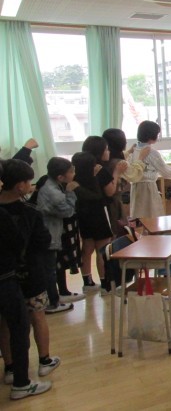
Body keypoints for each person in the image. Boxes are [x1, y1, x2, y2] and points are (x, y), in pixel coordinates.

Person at [0, 160, 58, 398]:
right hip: (29, 272)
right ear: (20, 186)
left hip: (6, 275)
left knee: (5, 323)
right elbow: (43, 241)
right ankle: (44, 360)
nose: (30, 185)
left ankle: (10, 368)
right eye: (27, 182)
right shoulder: (29, 212)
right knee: (36, 316)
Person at [36, 157, 83, 313]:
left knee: (51, 269)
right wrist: (70, 192)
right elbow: (67, 211)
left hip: (50, 233)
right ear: (61, 177)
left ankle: (55, 298)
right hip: (48, 236)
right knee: (49, 271)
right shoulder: (53, 192)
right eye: (71, 171)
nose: (74, 173)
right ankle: (53, 303)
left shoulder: (52, 185)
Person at [71, 151, 117, 294]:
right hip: (98, 215)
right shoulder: (94, 178)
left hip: (83, 216)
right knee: (102, 250)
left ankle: (88, 282)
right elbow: (99, 196)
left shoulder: (74, 180)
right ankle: (105, 285)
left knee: (87, 248)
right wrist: (96, 177)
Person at [128, 121, 171, 219]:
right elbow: (166, 172)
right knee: (152, 217)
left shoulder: (132, 150)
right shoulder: (151, 153)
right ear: (151, 135)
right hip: (148, 189)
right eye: (157, 134)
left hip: (135, 189)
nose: (158, 136)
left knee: (138, 217)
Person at [101, 128, 148, 235]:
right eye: (124, 139)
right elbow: (135, 174)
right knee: (121, 230)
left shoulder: (107, 158)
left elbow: (119, 157)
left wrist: (130, 151)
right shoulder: (119, 163)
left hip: (110, 201)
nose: (126, 142)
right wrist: (141, 157)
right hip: (116, 202)